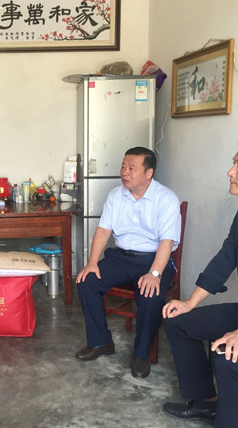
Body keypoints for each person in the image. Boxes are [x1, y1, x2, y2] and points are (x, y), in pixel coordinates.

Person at [162, 137, 238, 427]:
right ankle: (206, 402)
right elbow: (224, 260)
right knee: (179, 322)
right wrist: (190, 302)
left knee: (230, 357)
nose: (230, 172)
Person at [75, 146, 181, 378]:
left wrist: (154, 274)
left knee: (151, 296)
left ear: (148, 173)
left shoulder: (166, 199)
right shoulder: (116, 195)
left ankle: (141, 355)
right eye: (123, 166)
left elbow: (167, 241)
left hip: (154, 260)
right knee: (87, 281)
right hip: (120, 257)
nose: (124, 172)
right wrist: (92, 262)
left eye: (132, 168)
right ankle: (101, 342)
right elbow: (104, 230)